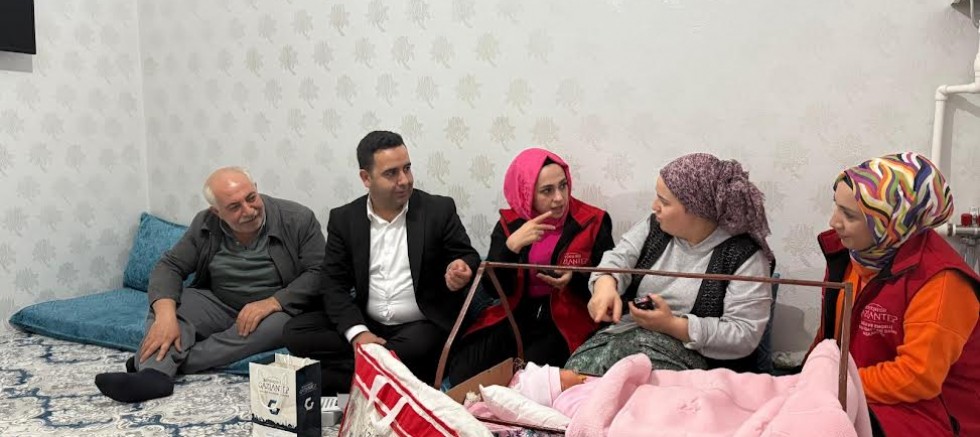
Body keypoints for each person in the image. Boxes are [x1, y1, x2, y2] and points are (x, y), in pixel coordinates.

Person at [95, 167, 326, 403]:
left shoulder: (297, 218)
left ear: (256, 189)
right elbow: (170, 266)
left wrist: (273, 302)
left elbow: (319, 271)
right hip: (219, 302)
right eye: (234, 207)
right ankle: (153, 378)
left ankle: (157, 365)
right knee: (172, 305)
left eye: (251, 198)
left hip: (275, 308)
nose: (249, 210)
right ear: (217, 212)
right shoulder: (205, 223)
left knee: (279, 328)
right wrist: (165, 316)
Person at [282, 131, 481, 394]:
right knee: (295, 332)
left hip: (420, 325)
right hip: (370, 323)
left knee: (418, 348)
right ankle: (386, 370)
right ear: (366, 178)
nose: (404, 180)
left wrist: (461, 268)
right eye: (391, 173)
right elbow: (333, 284)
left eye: (407, 168)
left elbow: (467, 256)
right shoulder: (345, 219)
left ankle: (327, 377)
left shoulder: (437, 210)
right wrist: (358, 334)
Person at [813, 152, 979, 437]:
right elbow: (830, 337)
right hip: (862, 396)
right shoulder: (851, 258)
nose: (833, 222)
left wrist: (831, 384)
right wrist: (809, 376)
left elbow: (917, 377)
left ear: (891, 223)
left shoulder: (941, 281)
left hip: (932, 416)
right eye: (836, 207)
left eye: (849, 215)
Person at [574, 152, 774, 375]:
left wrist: (672, 325)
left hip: (695, 364)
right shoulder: (654, 227)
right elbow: (619, 258)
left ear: (697, 210)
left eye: (664, 202)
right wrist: (605, 285)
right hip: (625, 340)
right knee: (575, 374)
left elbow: (743, 335)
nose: (654, 206)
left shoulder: (745, 257)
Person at [446, 148, 614, 384]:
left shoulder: (592, 221)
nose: (559, 198)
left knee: (531, 376)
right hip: (517, 313)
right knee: (462, 370)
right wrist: (510, 247)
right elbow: (494, 289)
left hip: (565, 317)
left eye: (563, 186)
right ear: (526, 194)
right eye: (547, 190)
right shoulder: (510, 224)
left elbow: (611, 283)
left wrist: (573, 279)